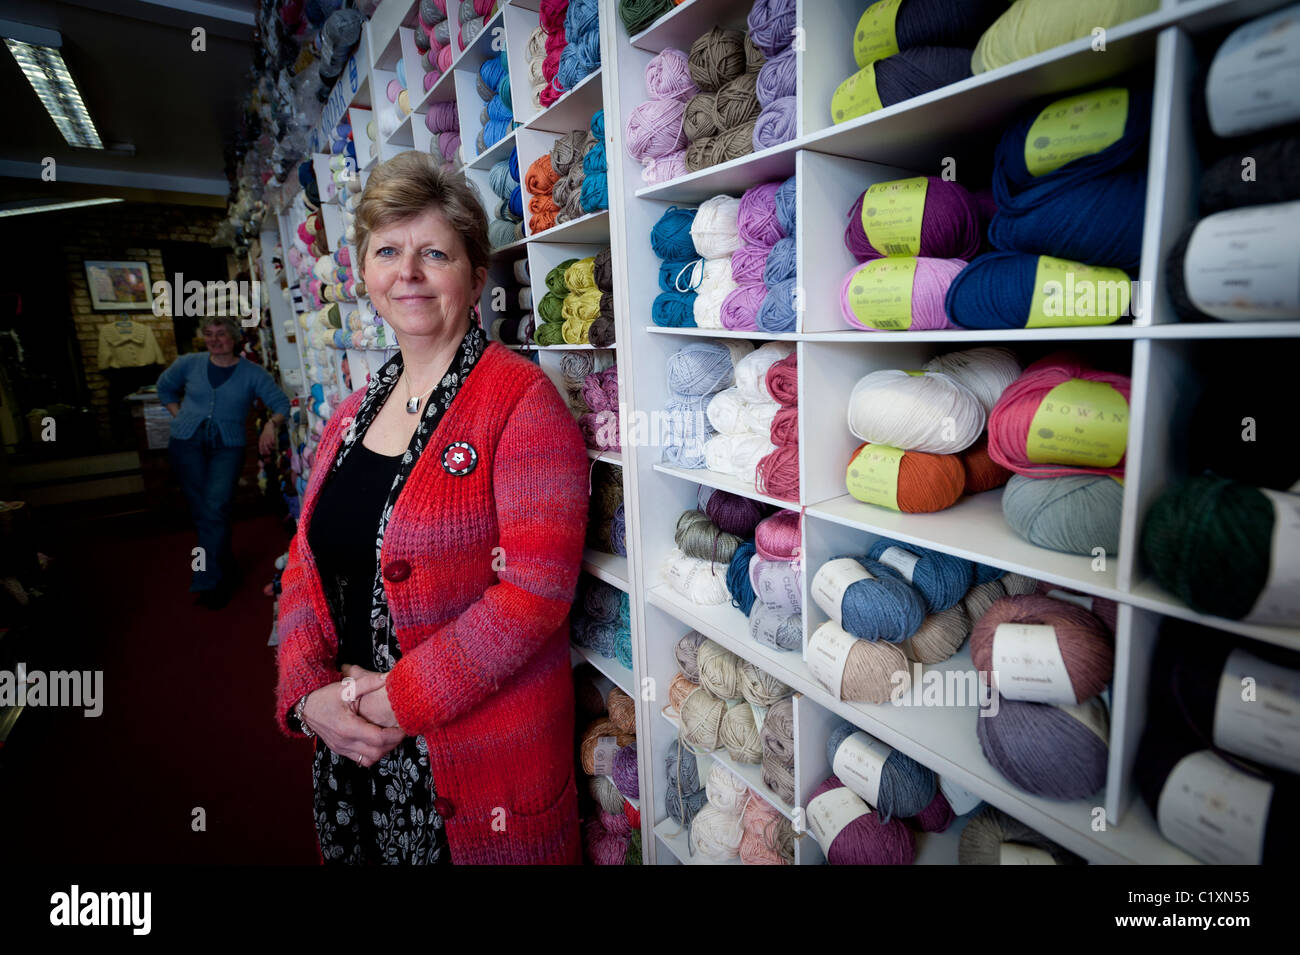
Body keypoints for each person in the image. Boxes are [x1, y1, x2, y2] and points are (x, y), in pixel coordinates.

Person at [274, 152, 590, 865]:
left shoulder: (522, 403)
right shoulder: (350, 416)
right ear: (364, 273)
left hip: (476, 770)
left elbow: (534, 595)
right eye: (388, 250)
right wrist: (308, 697)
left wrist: (389, 703)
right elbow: (305, 563)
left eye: (434, 253)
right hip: (352, 748)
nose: (407, 272)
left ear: (476, 277)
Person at [157, 315, 289, 608]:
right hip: (186, 444)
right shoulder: (188, 363)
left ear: (234, 338)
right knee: (206, 511)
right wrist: (180, 417)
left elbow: (281, 404)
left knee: (214, 507)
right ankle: (222, 568)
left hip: (227, 447)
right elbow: (164, 388)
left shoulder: (252, 373)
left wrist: (271, 424)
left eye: (221, 334)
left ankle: (208, 579)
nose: (215, 340)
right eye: (209, 334)